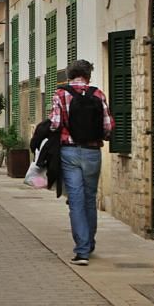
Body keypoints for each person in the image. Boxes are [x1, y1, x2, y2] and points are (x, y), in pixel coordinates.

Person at [50, 59, 115, 266]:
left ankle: (82, 250)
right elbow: (108, 126)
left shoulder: (61, 93)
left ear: (70, 74)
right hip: (92, 152)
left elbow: (55, 123)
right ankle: (90, 243)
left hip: (69, 152)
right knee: (89, 198)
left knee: (75, 201)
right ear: (88, 75)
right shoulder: (98, 94)